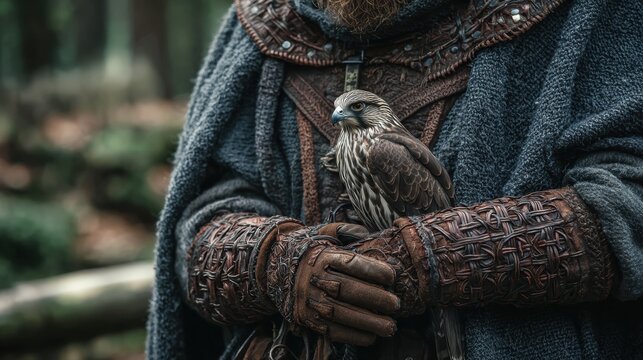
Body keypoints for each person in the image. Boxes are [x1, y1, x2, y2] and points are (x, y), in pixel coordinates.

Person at [146, 0, 643, 359]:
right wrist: (273, 261)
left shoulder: (590, 12)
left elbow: (629, 200)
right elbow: (198, 217)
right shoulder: (263, 22)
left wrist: (424, 258)